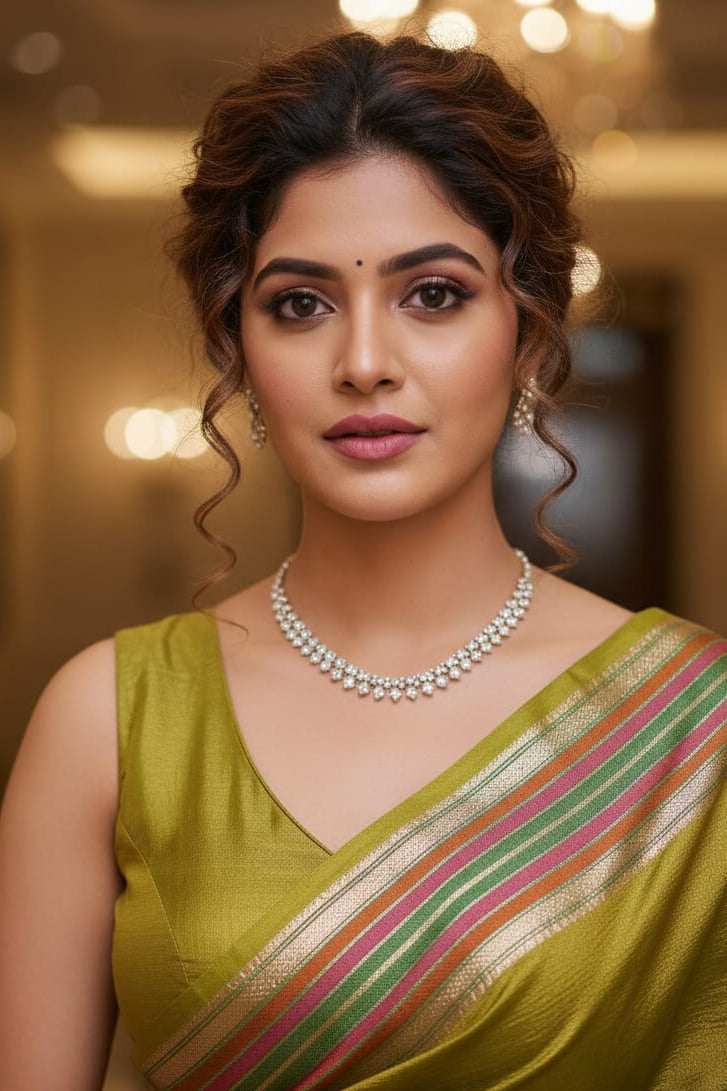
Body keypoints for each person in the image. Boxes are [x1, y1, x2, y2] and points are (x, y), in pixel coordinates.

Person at [0, 29, 725, 1091]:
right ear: (237, 349)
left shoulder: (693, 724)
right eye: (300, 304)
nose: (365, 362)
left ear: (527, 334)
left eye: (433, 293)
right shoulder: (105, 718)